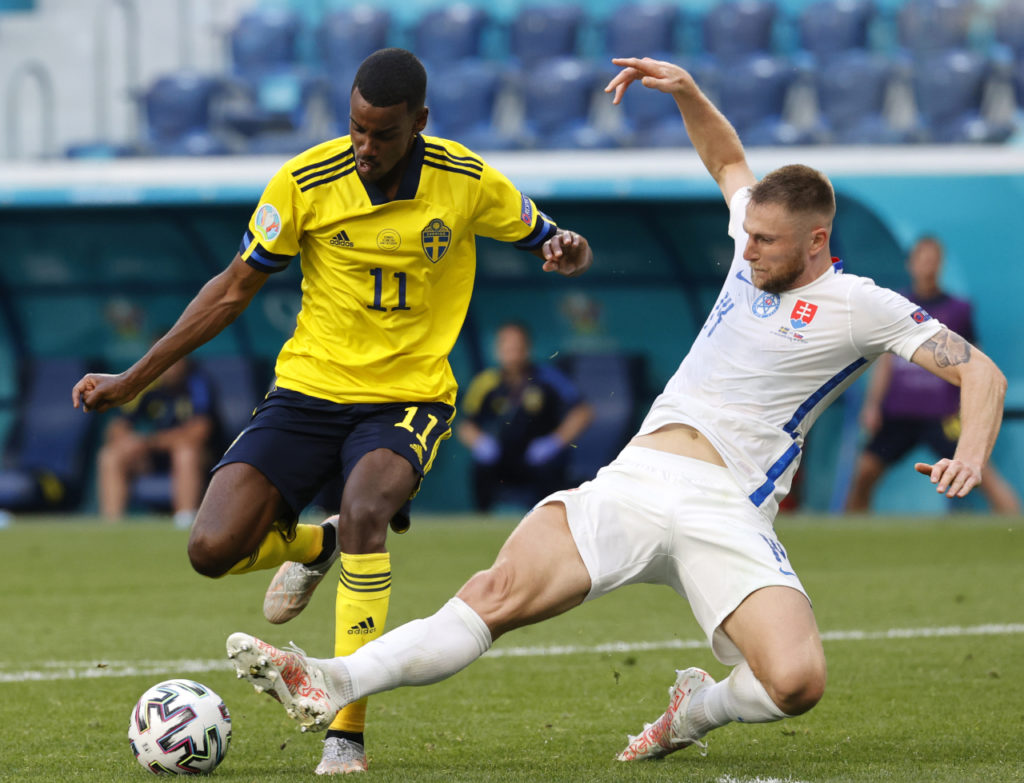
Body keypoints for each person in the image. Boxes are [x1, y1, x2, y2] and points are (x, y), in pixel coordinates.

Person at [224, 55, 1007, 766]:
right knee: (494, 594)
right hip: (637, 478)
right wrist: (691, 93)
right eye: (750, 234)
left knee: (797, 681)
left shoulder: (858, 304)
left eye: (767, 241)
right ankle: (327, 677)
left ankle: (694, 709)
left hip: (728, 508)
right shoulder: (752, 238)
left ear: (817, 242)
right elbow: (728, 160)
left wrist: (971, 451)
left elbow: (981, 371)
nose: (749, 248)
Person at [71, 48, 592, 776]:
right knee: (211, 550)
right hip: (309, 390)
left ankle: (344, 731)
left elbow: (550, 236)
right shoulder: (306, 182)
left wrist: (566, 249)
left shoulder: (466, 180)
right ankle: (314, 547)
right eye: (355, 127)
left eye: (382, 133)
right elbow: (229, 290)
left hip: (408, 396)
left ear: (421, 123)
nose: (364, 146)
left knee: (367, 511)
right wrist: (133, 377)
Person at [845, 236, 1020, 513]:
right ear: (911, 264)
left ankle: (1014, 521)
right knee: (864, 473)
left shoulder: (959, 309)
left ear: (940, 265)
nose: (926, 266)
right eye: (921, 259)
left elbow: (978, 365)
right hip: (899, 411)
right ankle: (850, 536)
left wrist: (969, 406)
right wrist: (872, 405)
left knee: (979, 473)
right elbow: (886, 362)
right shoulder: (896, 306)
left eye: (932, 260)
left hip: (942, 413)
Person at [456, 321, 594, 511]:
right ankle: (482, 520)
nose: (512, 354)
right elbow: (466, 425)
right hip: (501, 457)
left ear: (528, 348)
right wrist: (481, 443)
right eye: (507, 347)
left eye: (517, 347)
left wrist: (554, 442)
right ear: (498, 350)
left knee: (550, 476)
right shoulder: (485, 382)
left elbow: (582, 412)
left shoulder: (549, 378)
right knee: (480, 470)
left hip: (539, 458)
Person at [96, 355, 216, 528]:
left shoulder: (198, 382)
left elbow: (200, 432)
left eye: (172, 357)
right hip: (153, 457)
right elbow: (116, 427)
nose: (168, 366)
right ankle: (112, 526)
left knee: (185, 452)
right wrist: (130, 441)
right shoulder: (148, 384)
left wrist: (151, 441)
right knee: (110, 455)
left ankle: (184, 523)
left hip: (202, 459)